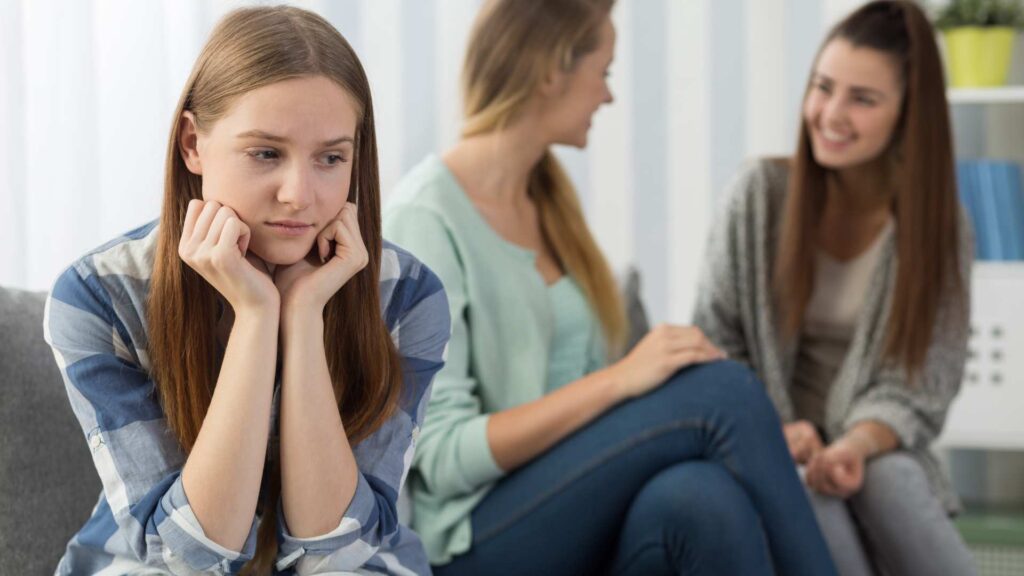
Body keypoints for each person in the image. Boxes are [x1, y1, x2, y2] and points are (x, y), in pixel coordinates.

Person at [384, 1, 837, 574]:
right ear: (552, 70)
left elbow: (589, 408)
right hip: (473, 538)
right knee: (720, 393)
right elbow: (442, 458)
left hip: (564, 504)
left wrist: (762, 442)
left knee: (699, 498)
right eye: (604, 72)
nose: (608, 96)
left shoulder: (547, 202)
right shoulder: (425, 217)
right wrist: (619, 381)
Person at [44, 7, 449, 574]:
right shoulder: (98, 294)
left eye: (331, 158)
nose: (299, 195)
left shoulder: (407, 296)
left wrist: (304, 315)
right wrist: (257, 315)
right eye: (266, 153)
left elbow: (336, 550)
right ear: (193, 143)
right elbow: (187, 556)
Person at [693, 2, 976, 575]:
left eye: (863, 99)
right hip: (767, 440)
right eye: (823, 88)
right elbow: (714, 345)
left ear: (908, 115)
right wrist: (775, 429)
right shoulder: (758, 197)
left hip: (870, 446)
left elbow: (923, 384)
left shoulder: (941, 229)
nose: (830, 114)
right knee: (808, 488)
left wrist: (855, 445)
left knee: (889, 477)